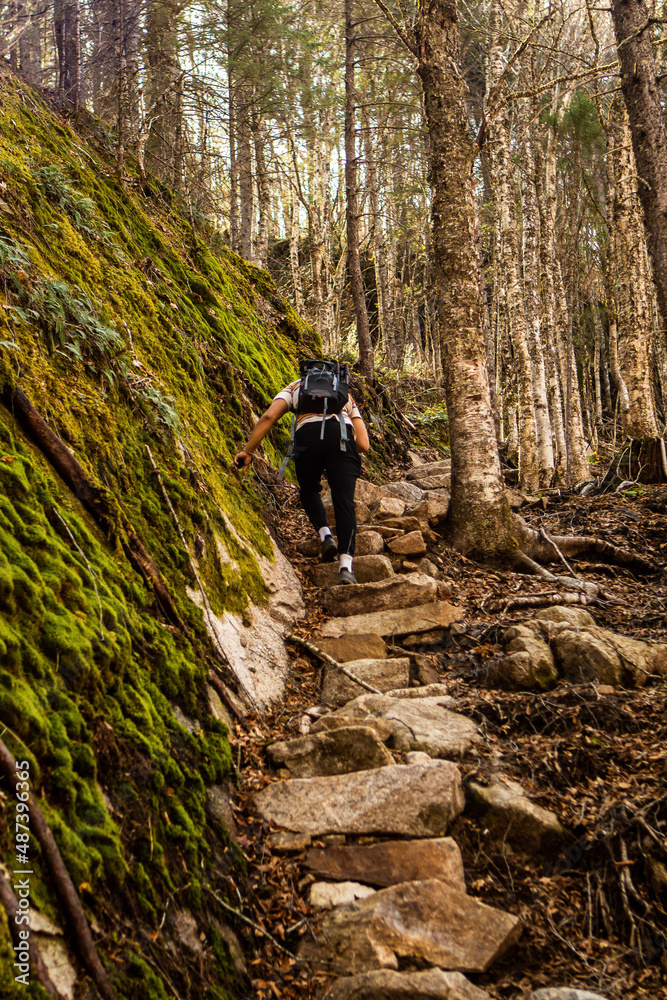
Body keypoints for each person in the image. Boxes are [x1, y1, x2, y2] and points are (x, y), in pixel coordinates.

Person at [233, 369, 370, 584]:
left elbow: (269, 416)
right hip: (342, 437)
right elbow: (363, 444)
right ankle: (346, 567)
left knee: (308, 489)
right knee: (344, 501)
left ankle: (326, 536)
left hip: (308, 437)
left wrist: (248, 451)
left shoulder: (295, 386)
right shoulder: (344, 393)